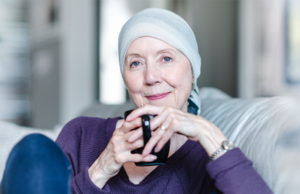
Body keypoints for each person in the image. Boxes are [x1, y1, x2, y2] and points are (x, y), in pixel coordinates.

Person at [0, 8, 273, 194]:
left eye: (166, 58)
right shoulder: (82, 134)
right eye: (135, 63)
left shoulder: (206, 160)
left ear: (192, 72)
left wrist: (208, 133)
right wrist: (101, 169)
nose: (151, 76)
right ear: (125, 77)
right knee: (33, 150)